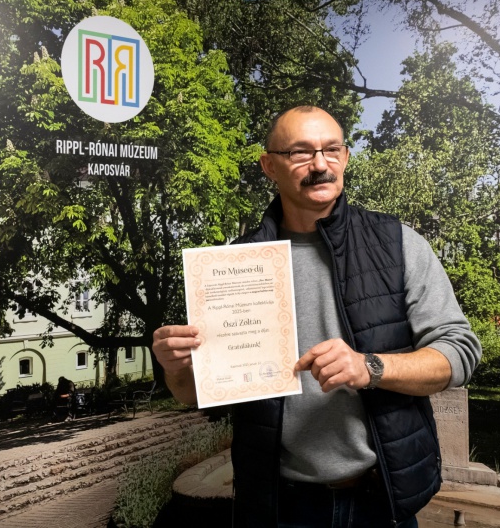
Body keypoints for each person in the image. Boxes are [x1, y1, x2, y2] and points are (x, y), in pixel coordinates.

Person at [152, 106, 482, 528]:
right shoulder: (232, 266)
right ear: (269, 166)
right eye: (301, 152)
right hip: (280, 507)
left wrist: (370, 367)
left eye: (331, 150)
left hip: (380, 501)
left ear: (345, 157)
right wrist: (176, 367)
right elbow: (191, 394)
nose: (320, 165)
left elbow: (459, 353)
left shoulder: (398, 244)